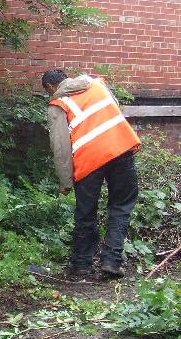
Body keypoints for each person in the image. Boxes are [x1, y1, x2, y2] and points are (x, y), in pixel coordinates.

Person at [41, 69, 140, 278]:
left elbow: (60, 148)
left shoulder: (58, 104)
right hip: (121, 148)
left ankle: (82, 265)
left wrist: (65, 181)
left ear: (51, 87)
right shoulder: (97, 83)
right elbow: (115, 111)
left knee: (86, 213)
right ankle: (111, 262)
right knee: (121, 206)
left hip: (89, 159)